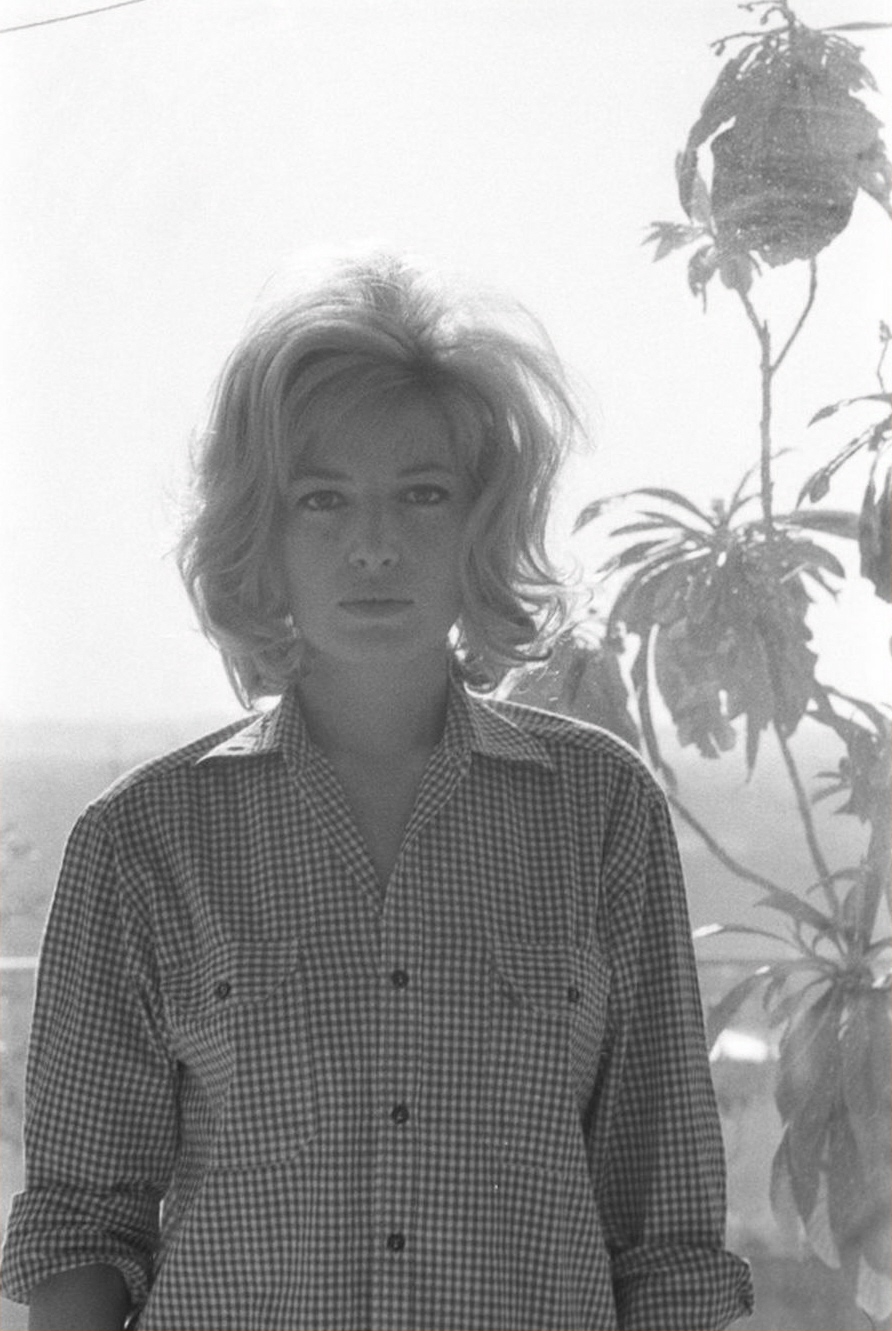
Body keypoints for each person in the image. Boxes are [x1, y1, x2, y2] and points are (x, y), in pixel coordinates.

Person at [1, 250, 754, 1330]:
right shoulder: (143, 840)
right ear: (260, 532)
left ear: (482, 522)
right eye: (322, 500)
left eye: (422, 494)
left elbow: (663, 1228)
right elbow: (83, 1225)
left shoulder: (600, 813)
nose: (373, 544)